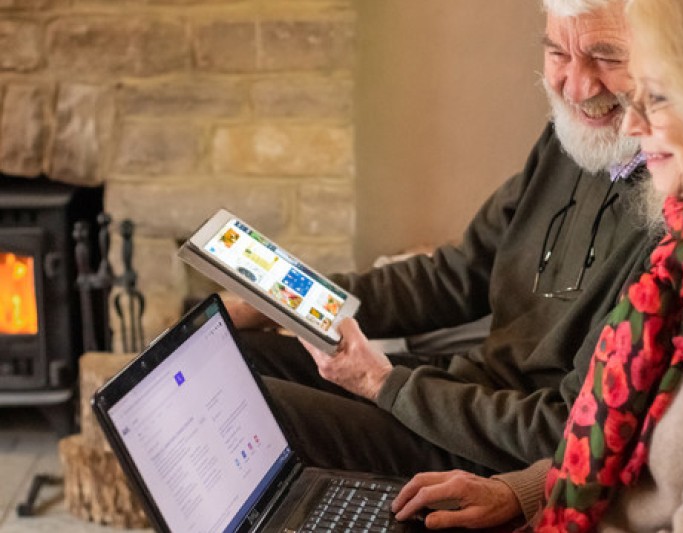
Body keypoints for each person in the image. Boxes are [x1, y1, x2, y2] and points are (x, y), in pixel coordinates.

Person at [393, 0, 683, 530]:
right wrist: (526, 491)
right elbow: (640, 452)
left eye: (655, 96)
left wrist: (387, 384)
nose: (630, 122)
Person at [228, 0, 658, 478]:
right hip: (455, 392)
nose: (576, 87)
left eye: (608, 58)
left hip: (490, 449)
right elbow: (457, 275)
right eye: (557, 54)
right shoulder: (575, 138)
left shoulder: (673, 214)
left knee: (237, 404)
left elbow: (566, 431)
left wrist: (382, 382)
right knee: (230, 352)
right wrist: (282, 294)